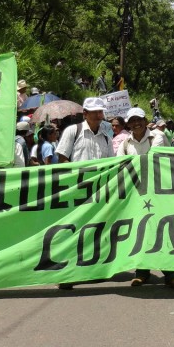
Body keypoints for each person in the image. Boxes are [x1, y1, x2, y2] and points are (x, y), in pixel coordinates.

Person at [116, 107, 174, 289]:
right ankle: (142, 272)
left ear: (145, 120)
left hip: (160, 193)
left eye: (138, 119)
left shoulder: (158, 137)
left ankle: (171, 273)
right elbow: (119, 165)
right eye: (132, 121)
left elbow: (158, 159)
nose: (136, 123)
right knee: (139, 231)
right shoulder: (125, 143)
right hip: (137, 194)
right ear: (128, 123)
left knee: (165, 230)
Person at [54, 97, 112, 290]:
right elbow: (63, 158)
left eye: (100, 112)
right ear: (85, 114)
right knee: (73, 230)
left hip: (98, 191)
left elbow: (110, 164)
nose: (98, 115)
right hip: (76, 190)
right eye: (94, 112)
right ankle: (67, 273)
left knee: (94, 230)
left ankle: (90, 270)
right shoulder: (73, 131)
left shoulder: (105, 136)